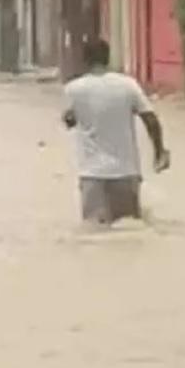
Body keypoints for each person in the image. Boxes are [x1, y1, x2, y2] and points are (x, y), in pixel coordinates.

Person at [63, 38, 170, 227]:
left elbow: (69, 120)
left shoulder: (73, 89)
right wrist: (159, 152)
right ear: (108, 58)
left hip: (92, 175)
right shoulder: (128, 85)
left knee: (94, 232)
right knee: (129, 231)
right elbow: (151, 119)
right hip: (125, 173)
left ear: (85, 60)